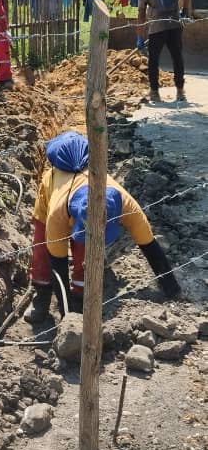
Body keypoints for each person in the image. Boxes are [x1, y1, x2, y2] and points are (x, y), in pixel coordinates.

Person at [24, 130, 181, 324]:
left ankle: (80, 295)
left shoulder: (126, 204)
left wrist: (172, 289)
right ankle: (42, 295)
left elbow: (149, 246)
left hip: (77, 206)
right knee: (42, 253)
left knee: (85, 255)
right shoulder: (57, 213)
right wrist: (67, 319)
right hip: (52, 199)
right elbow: (58, 264)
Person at [134, 0, 191, 103]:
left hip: (157, 28)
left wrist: (140, 37)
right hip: (175, 25)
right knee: (177, 58)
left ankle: (154, 93)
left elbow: (141, 16)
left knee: (153, 60)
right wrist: (185, 11)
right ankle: (180, 92)